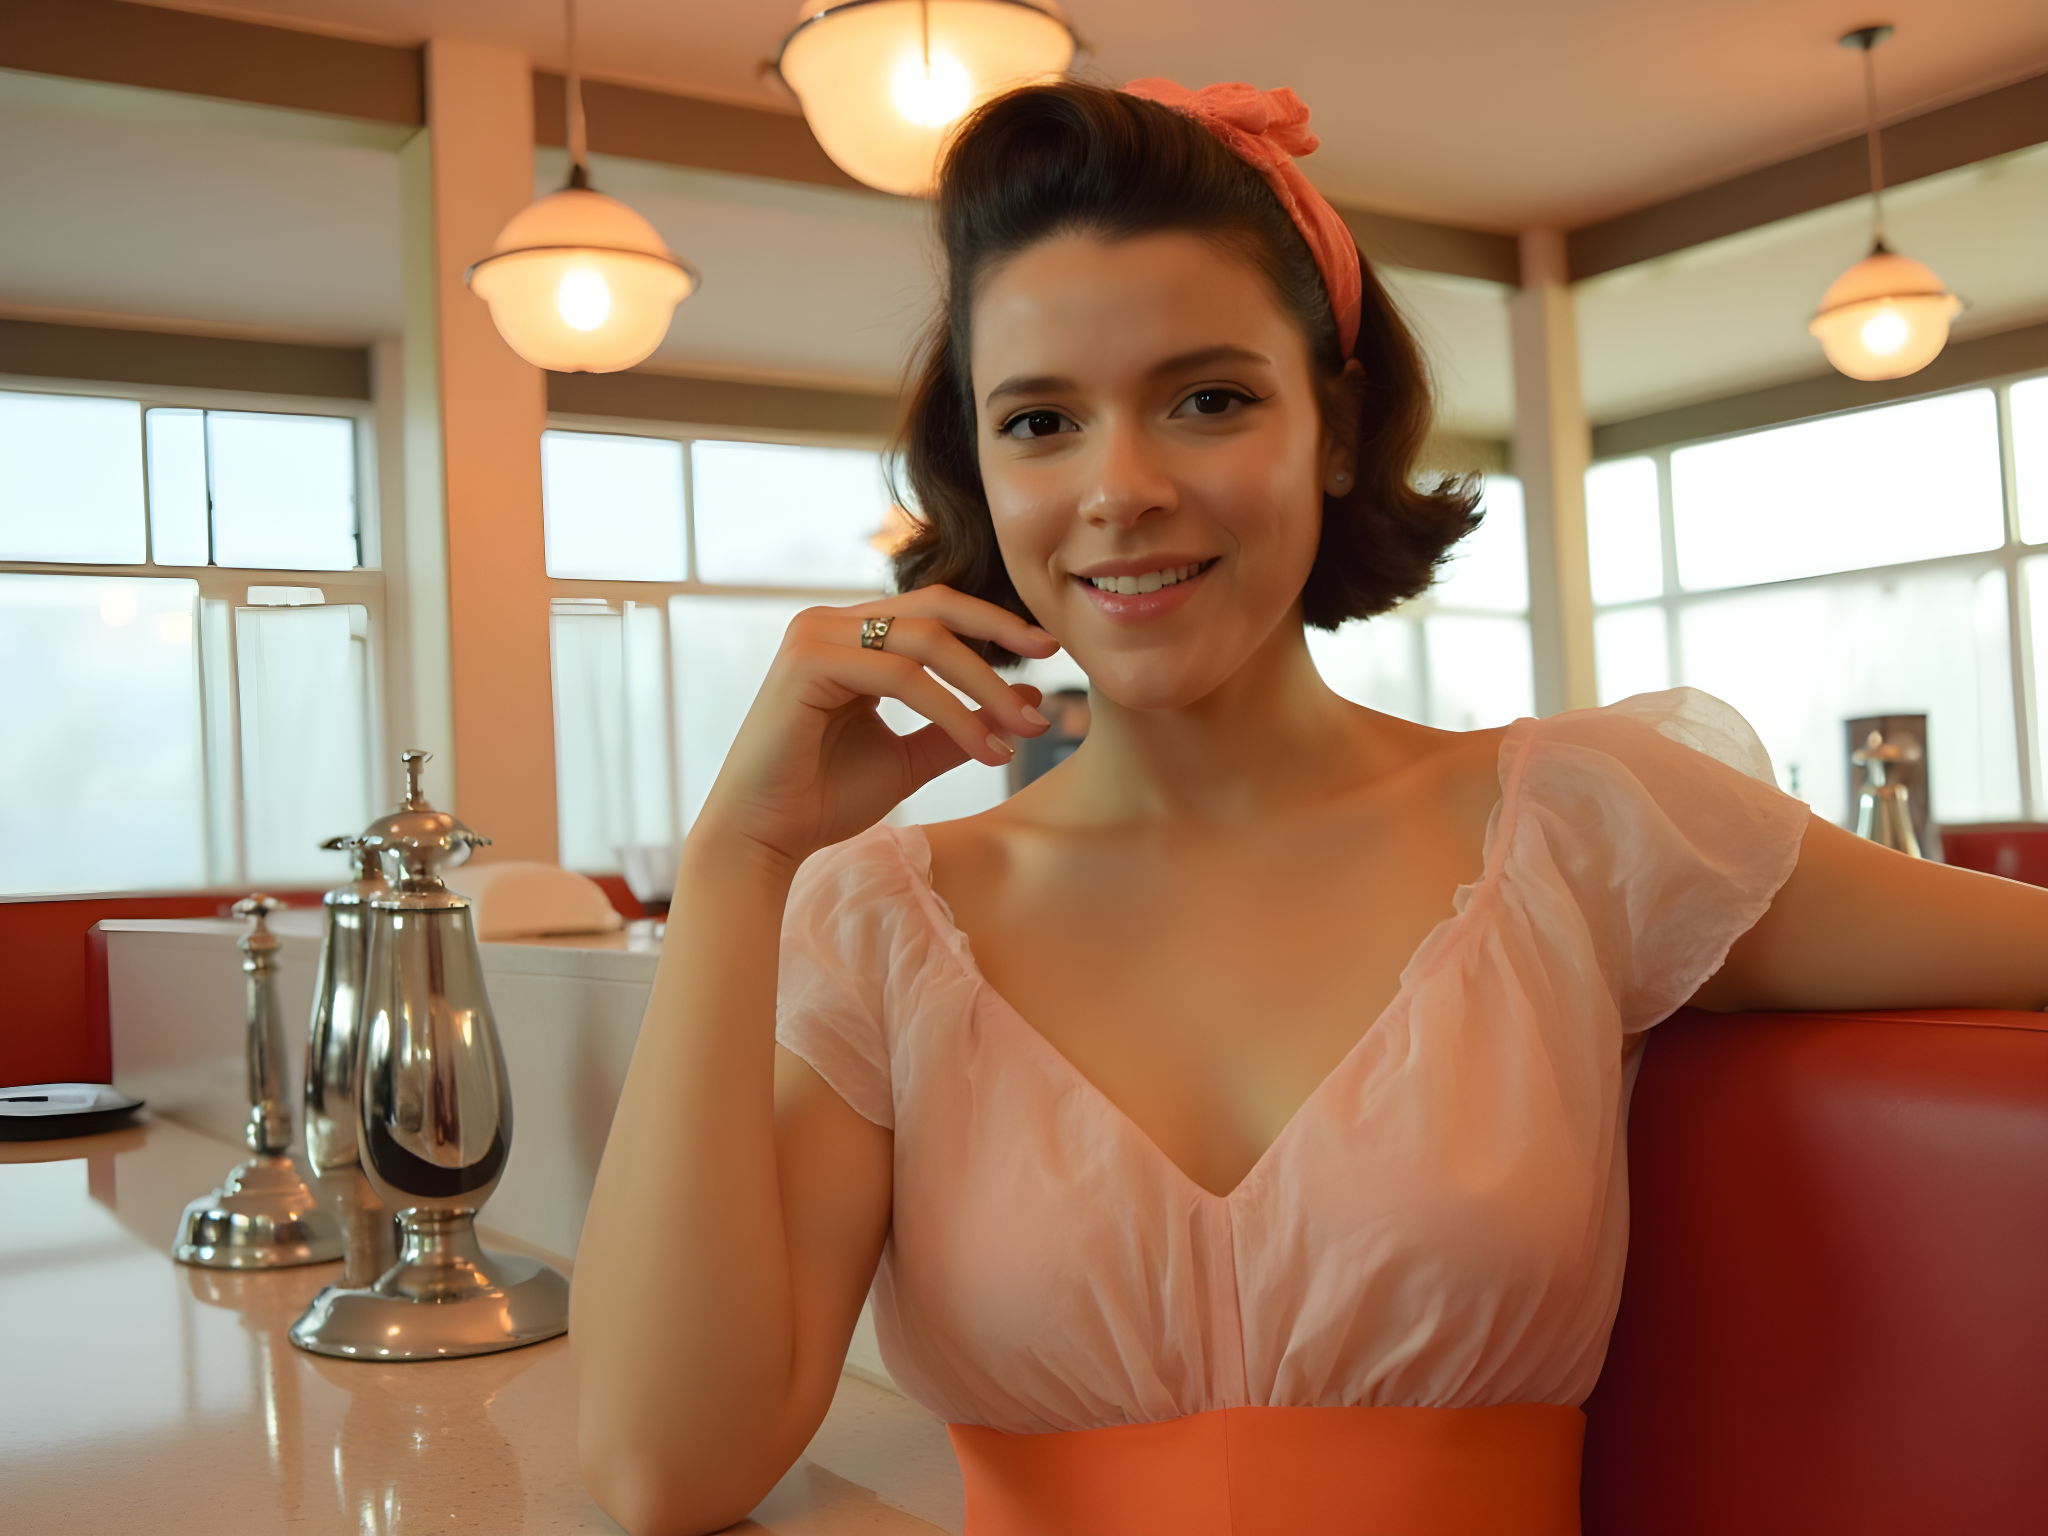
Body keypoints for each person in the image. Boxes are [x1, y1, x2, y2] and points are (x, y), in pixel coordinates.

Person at [571, 78, 2048, 1536]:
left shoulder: (1583, 828)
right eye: (1040, 422)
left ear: (1336, 431)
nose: (1121, 488)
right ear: (979, 467)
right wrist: (740, 855)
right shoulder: (887, 924)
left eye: (1207, 399)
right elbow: (664, 1471)